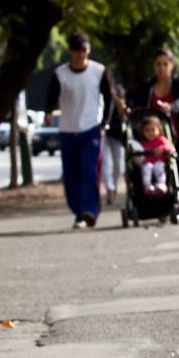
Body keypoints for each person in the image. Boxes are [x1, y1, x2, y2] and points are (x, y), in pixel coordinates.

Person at [52, 33, 121, 228]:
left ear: (88, 50)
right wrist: (48, 112)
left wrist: (104, 124)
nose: (81, 54)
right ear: (70, 52)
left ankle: (89, 210)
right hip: (68, 129)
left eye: (84, 50)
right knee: (71, 174)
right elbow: (51, 96)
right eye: (77, 51)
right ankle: (78, 211)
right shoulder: (60, 74)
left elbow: (109, 98)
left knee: (89, 170)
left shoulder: (99, 71)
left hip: (91, 128)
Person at [128, 48, 179, 172]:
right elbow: (137, 103)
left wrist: (170, 107)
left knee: (175, 168)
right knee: (150, 167)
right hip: (152, 136)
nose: (161, 68)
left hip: (177, 133)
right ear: (154, 66)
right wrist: (129, 108)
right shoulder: (147, 86)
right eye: (158, 64)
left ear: (172, 66)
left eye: (165, 64)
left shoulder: (178, 83)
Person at [134, 114, 172, 192]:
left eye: (153, 130)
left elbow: (170, 147)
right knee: (146, 169)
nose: (150, 133)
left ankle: (161, 184)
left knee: (159, 167)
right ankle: (147, 186)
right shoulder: (142, 143)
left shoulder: (161, 140)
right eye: (147, 130)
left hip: (159, 162)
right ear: (143, 132)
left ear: (158, 130)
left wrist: (162, 148)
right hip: (147, 163)